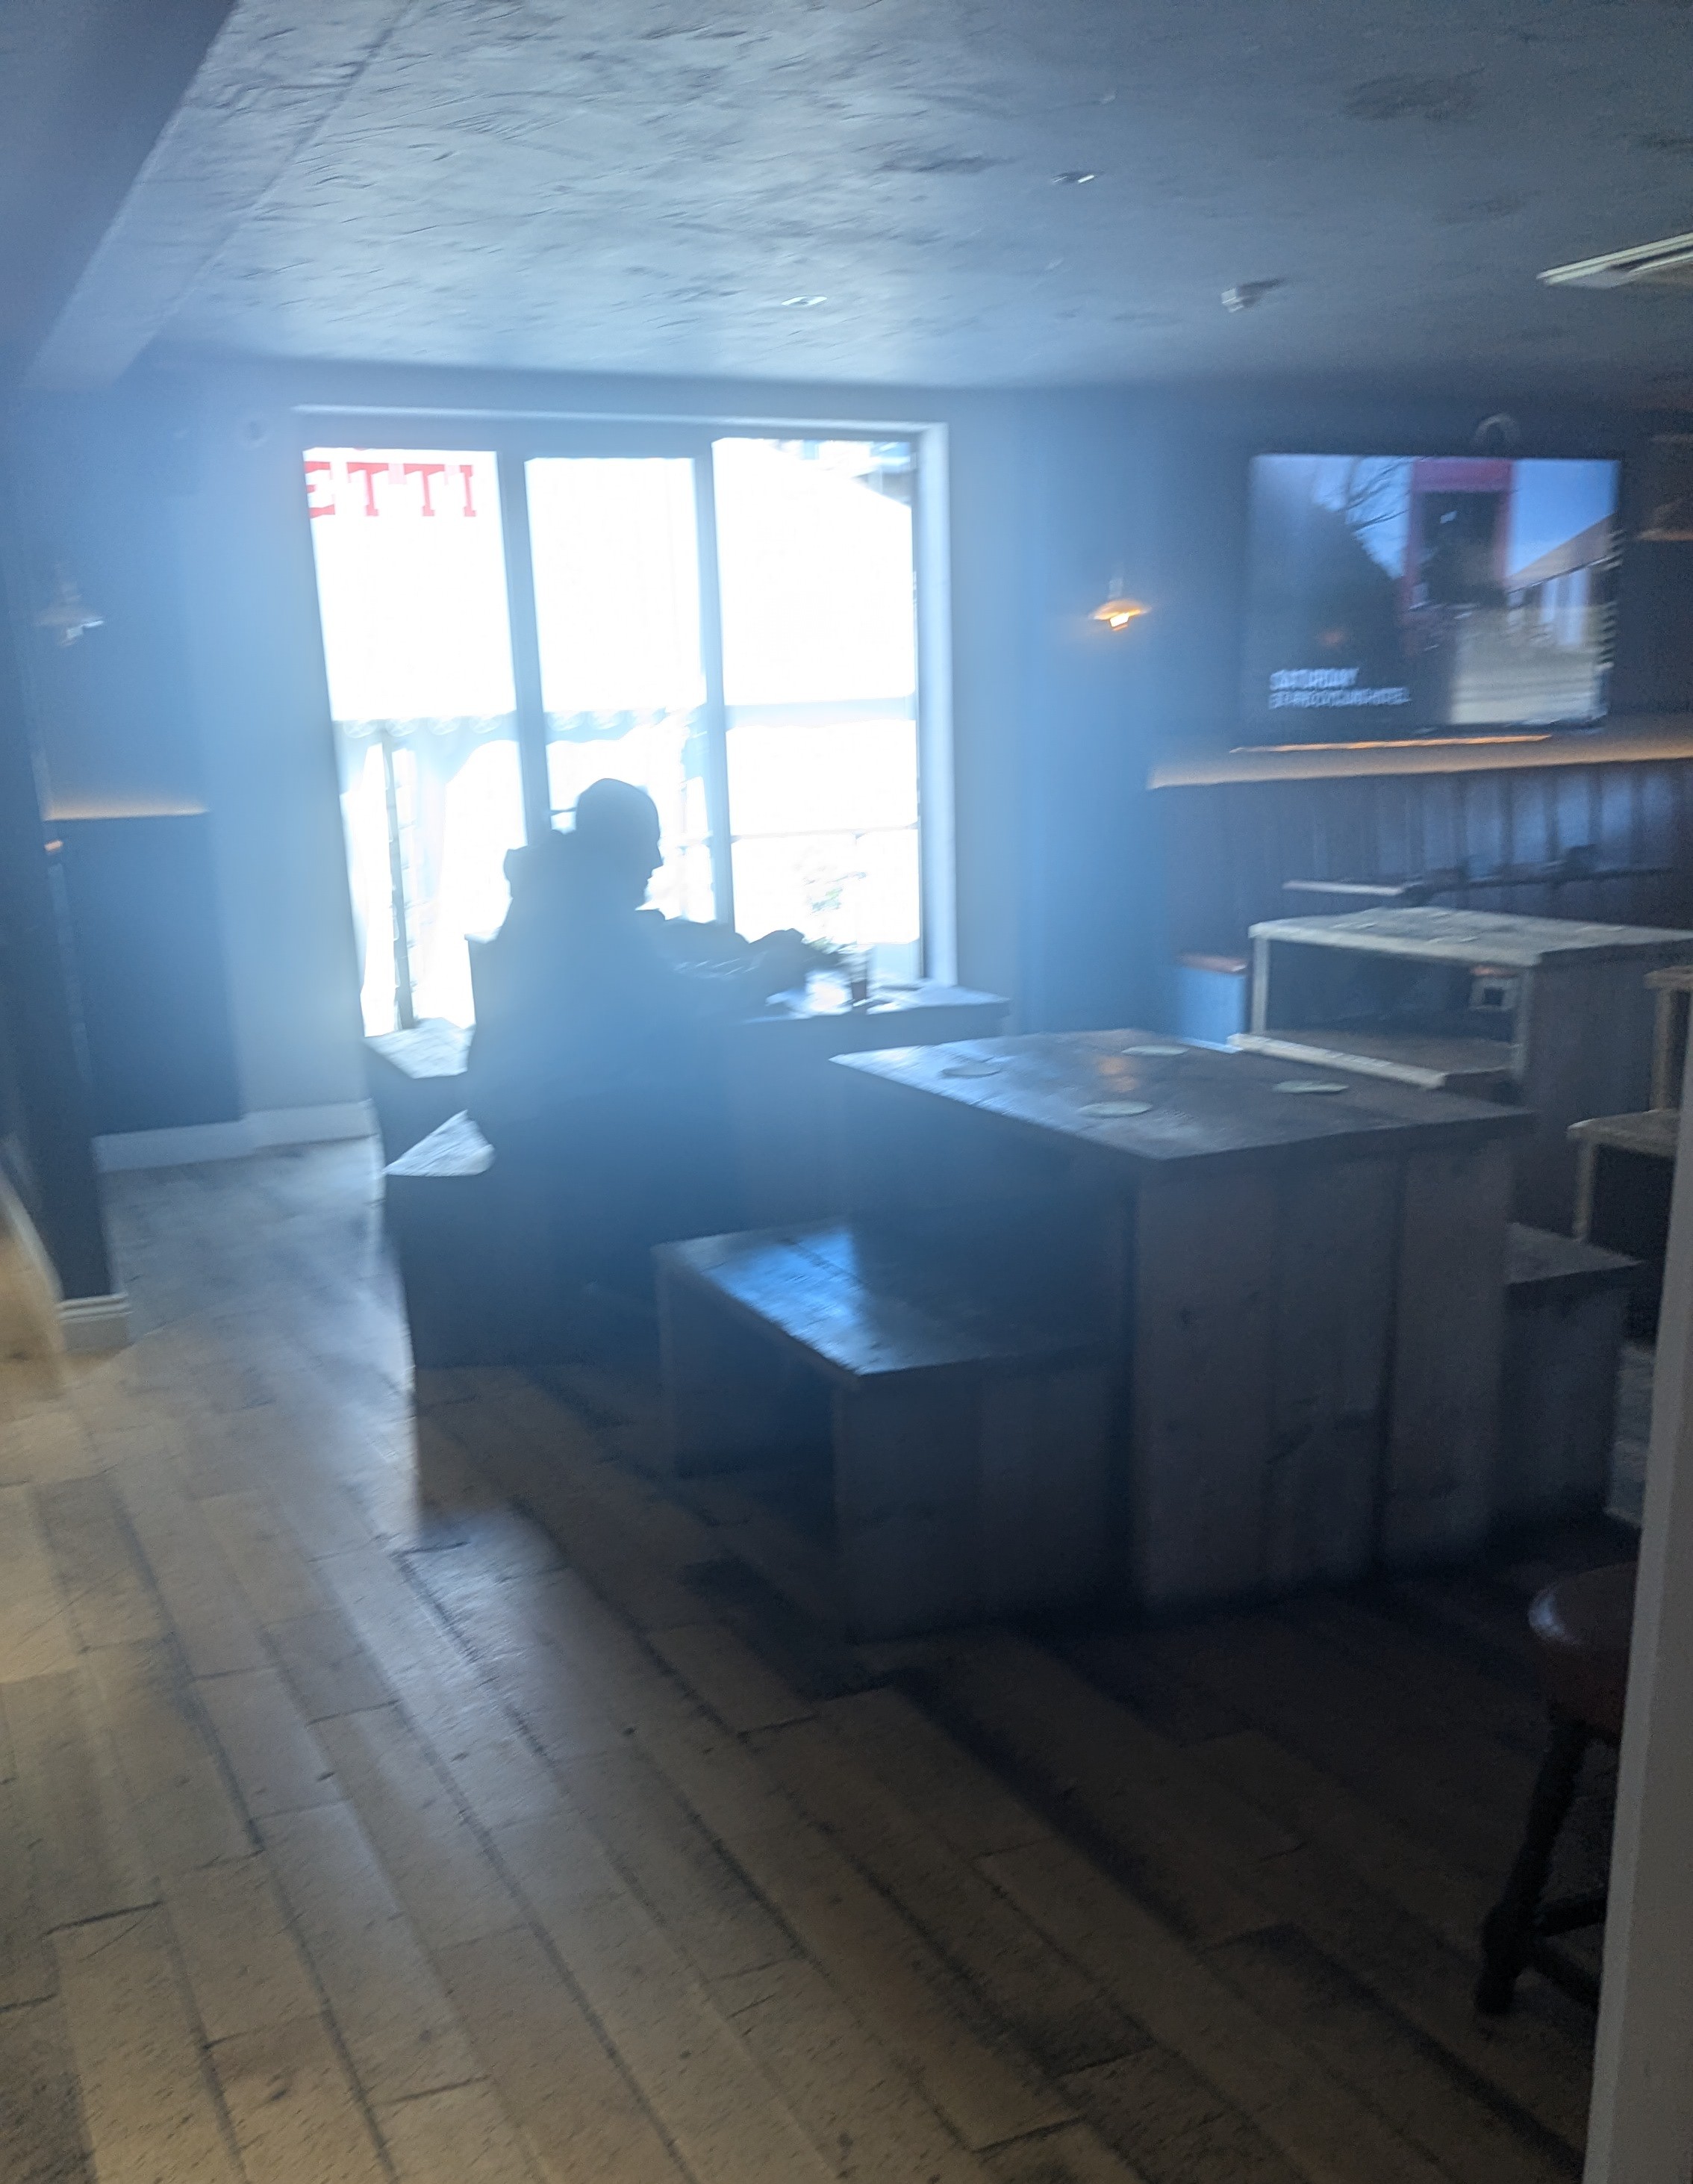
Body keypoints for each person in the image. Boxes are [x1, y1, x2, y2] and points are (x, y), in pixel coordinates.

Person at [465, 780, 817, 1295]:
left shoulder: (564, 886)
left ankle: (655, 1285)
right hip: (540, 1106)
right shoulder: (582, 904)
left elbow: (648, 980)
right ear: (615, 842)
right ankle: (682, 1292)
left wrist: (744, 967)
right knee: (716, 1128)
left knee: (696, 1105)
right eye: (647, 843)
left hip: (515, 1095)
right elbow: (671, 999)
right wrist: (762, 976)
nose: (657, 860)